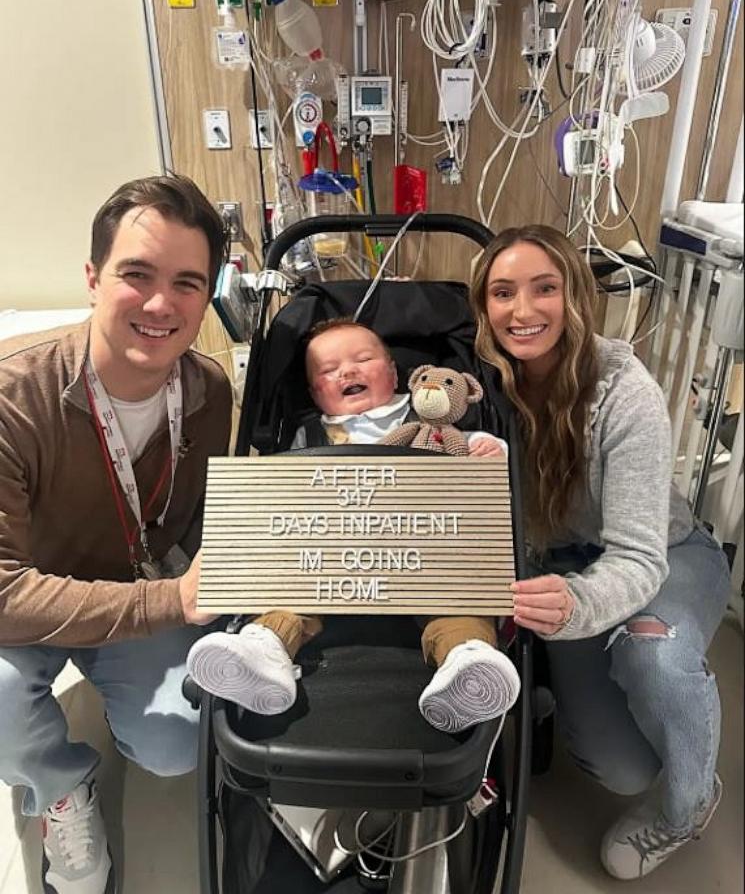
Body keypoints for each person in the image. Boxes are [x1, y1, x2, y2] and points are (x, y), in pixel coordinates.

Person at [470, 224, 731, 881]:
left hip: (663, 555)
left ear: (575, 296)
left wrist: (578, 605)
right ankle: (556, 688)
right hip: (556, 566)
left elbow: (639, 557)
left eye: (543, 289)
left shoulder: (622, 389)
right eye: (502, 292)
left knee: (654, 654)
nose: (522, 310)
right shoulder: (479, 385)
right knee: (619, 769)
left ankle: (688, 804)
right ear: (482, 306)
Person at [0, 175, 232, 894]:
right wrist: (171, 605)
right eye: (137, 274)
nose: (162, 304)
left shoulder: (209, 392)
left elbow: (197, 522)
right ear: (94, 277)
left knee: (171, 748)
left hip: (138, 583)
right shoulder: (15, 400)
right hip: (31, 601)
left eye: (187, 283)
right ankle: (59, 788)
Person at [187, 318, 521, 734]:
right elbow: (281, 503)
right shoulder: (307, 435)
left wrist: (489, 454)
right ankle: (265, 649)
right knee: (286, 591)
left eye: (363, 359)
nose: (347, 371)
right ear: (313, 392)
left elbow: (478, 460)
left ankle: (465, 663)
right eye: (328, 370)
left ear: (396, 373)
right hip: (328, 568)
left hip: (426, 562)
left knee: (459, 603)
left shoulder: (430, 414)